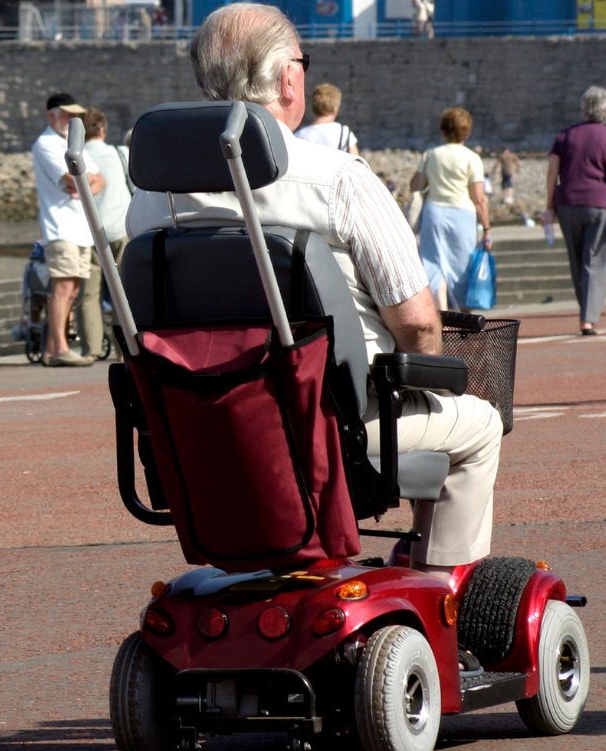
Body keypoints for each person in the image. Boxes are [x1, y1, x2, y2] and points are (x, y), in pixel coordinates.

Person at [127, 3, 502, 573]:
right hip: (338, 419)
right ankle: (441, 587)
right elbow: (419, 323)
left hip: (200, 423)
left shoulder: (150, 201)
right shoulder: (337, 179)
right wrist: (431, 384)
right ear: (288, 78)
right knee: (479, 424)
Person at [544, 86, 606, 335]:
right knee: (595, 260)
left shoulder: (564, 136)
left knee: (577, 260)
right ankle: (588, 318)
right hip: (599, 203)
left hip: (567, 203)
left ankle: (586, 311)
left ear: (584, 107)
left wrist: (548, 207)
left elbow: (552, 173)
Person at [31, 92, 105, 367]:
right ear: (52, 115)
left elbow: (99, 180)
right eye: (67, 114)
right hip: (60, 226)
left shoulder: (71, 143)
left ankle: (52, 349)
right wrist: (83, 183)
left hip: (79, 227)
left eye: (75, 115)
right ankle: (60, 347)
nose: (72, 119)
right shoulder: (46, 144)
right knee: (63, 288)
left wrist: (84, 184)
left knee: (72, 289)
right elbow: (72, 179)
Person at [409, 107, 492, 311]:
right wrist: (487, 228)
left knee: (434, 264)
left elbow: (415, 185)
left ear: (443, 130)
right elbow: (479, 198)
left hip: (434, 211)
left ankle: (442, 315)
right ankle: (465, 315)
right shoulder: (472, 158)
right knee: (462, 265)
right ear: (467, 131)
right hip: (463, 213)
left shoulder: (431, 155)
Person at [80, 107, 132, 359]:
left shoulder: (76, 158)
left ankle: (91, 349)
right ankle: (124, 350)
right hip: (120, 230)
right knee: (122, 294)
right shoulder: (120, 154)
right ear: (103, 130)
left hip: (88, 234)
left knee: (89, 294)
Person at [294, 83, 359, 155]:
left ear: (313, 108)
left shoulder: (299, 136)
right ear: (335, 108)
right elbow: (357, 163)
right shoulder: (344, 133)